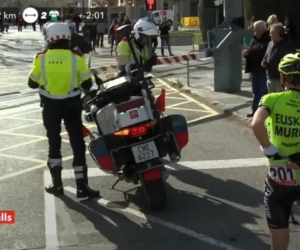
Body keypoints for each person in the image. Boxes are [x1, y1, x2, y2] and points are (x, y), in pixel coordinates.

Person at [27, 22, 100, 200]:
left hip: (50, 107)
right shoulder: (76, 57)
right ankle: (82, 188)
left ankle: (57, 185)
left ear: (49, 38)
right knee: (77, 143)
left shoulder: (41, 58)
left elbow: (32, 83)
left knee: (54, 143)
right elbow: (87, 84)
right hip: (72, 105)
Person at [251, 52, 300, 250]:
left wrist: (270, 151)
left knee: (279, 243)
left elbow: (256, 124)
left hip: (278, 181)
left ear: (282, 78)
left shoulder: (271, 99)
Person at [243, 20, 270, 117]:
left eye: (255, 29)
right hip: (254, 69)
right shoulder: (254, 38)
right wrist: (246, 54)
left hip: (263, 70)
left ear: (261, 29)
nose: (254, 31)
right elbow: (251, 50)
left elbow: (262, 50)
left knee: (263, 92)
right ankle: (254, 110)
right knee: (255, 92)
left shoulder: (268, 39)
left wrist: (251, 51)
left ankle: (261, 113)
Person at [262, 23, 296, 93]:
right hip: (270, 78)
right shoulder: (270, 43)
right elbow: (266, 56)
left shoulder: (288, 45)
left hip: (280, 79)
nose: (269, 35)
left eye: (272, 33)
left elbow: (291, 63)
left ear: (278, 34)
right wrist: (264, 61)